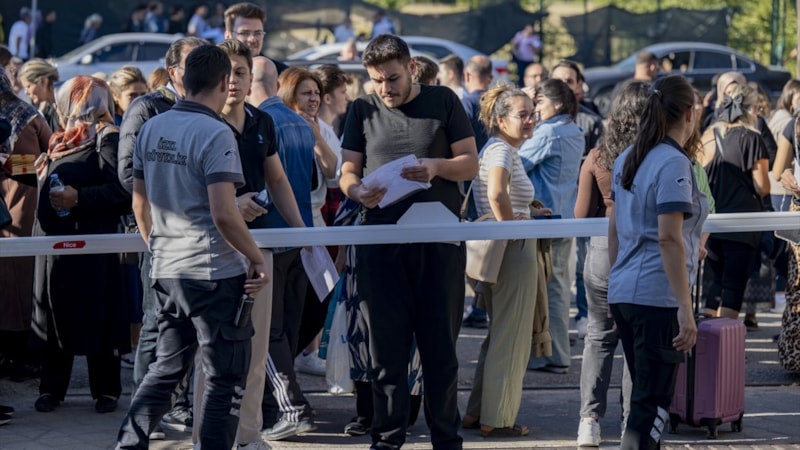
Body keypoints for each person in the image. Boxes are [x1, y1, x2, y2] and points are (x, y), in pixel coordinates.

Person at [115, 44, 268, 450]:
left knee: (163, 371)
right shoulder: (217, 132)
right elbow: (224, 213)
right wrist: (255, 259)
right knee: (223, 381)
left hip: (169, 270)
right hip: (215, 274)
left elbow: (139, 205)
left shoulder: (153, 127)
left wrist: (160, 250)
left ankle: (128, 444)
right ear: (223, 82)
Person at [339, 34, 478, 449]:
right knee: (385, 355)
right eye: (377, 80)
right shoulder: (361, 109)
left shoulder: (444, 101)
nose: (386, 89)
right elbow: (347, 171)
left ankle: (445, 440)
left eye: (393, 78)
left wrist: (436, 166)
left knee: (440, 355)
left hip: (438, 244)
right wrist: (355, 191)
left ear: (412, 67)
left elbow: (470, 162)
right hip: (380, 246)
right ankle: (386, 438)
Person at [189, 39, 305, 450]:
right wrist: (231, 205)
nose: (235, 81)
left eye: (242, 72)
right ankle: (208, 439)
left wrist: (304, 233)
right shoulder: (198, 123)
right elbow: (185, 194)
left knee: (256, 356)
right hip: (213, 249)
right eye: (229, 73)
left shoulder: (261, 122)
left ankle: (250, 437)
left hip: (262, 249)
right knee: (214, 358)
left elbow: (278, 180)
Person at [608, 74, 706, 449]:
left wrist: (619, 276)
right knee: (651, 408)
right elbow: (669, 237)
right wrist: (685, 306)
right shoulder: (672, 163)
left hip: (627, 292)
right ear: (689, 112)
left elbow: (615, 227)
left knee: (644, 403)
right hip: (656, 297)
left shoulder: (627, 158)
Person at [117, 36, 207, 441]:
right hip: (162, 238)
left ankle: (180, 405)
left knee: (186, 331)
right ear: (173, 72)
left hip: (201, 241)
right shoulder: (147, 108)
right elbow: (127, 175)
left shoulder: (209, 110)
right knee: (156, 326)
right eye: (194, 65)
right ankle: (144, 414)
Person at [32, 75, 131, 415]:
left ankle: (105, 390)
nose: (86, 110)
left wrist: (79, 199)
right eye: (80, 101)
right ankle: (52, 388)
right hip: (54, 245)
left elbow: (122, 192)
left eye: (91, 101)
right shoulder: (59, 141)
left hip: (92, 245)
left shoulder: (107, 138)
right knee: (53, 315)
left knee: (97, 314)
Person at [573, 81, 650, 446]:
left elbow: (580, 214)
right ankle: (629, 423)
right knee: (636, 342)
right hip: (643, 249)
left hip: (602, 248)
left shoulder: (598, 156)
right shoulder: (657, 156)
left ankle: (588, 421)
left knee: (598, 338)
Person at [461, 84, 539, 438]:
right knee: (512, 336)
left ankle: (480, 413)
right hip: (512, 249)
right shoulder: (501, 152)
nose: (530, 120)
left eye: (531, 113)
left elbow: (499, 195)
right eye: (522, 115)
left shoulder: (497, 149)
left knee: (500, 333)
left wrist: (528, 210)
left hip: (504, 247)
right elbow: (495, 193)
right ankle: (498, 419)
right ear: (500, 119)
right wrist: (511, 228)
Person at [246, 56, 318, 440]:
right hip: (296, 236)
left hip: (269, 237)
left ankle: (291, 406)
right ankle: (280, 405)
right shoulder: (301, 123)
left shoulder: (260, 122)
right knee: (286, 328)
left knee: (268, 330)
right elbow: (307, 184)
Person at [519, 78, 584, 374]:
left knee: (549, 290)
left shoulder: (548, 132)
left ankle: (552, 354)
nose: (536, 109)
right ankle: (553, 353)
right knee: (557, 286)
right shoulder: (574, 130)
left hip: (544, 221)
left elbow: (517, 162)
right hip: (563, 217)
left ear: (556, 104)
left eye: (540, 102)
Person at [698, 84, 769, 322]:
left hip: (712, 222)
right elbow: (762, 186)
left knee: (717, 282)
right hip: (742, 223)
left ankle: (708, 342)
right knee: (734, 285)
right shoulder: (752, 138)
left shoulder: (707, 136)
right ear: (750, 110)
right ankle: (725, 344)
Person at [0, 68, 51, 387]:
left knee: (14, 282)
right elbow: (43, 156)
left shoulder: (22, 114)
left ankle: (14, 355)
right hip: (21, 209)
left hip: (17, 208)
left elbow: (36, 159)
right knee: (19, 283)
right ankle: (19, 355)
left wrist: (6, 164)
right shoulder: (27, 112)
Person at [223, 2, 288, 73]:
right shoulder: (215, 72)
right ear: (228, 36)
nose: (252, 39)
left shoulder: (282, 74)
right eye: (245, 33)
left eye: (258, 33)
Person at [767, 79, 800, 212]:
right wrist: (791, 172)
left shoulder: (788, 123)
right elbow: (779, 172)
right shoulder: (791, 125)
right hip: (783, 195)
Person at [18, 59, 59, 132]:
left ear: (43, 81)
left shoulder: (65, 105)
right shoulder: (47, 109)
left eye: (28, 86)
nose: (26, 92)